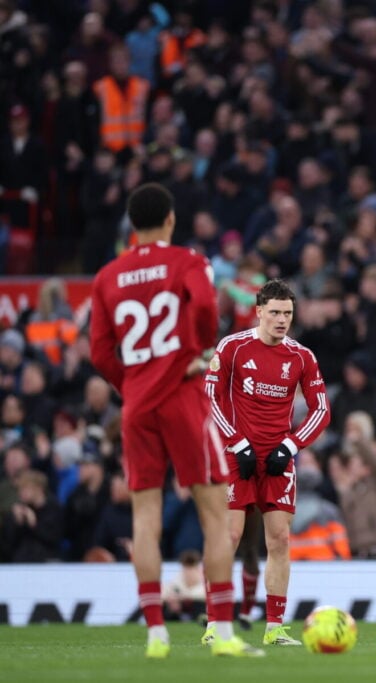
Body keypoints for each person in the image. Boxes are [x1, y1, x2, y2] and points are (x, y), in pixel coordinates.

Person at [89, 182, 262, 657]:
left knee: (145, 518)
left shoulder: (107, 276)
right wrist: (202, 350)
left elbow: (100, 352)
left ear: (131, 224)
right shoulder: (189, 262)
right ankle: (224, 635)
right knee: (214, 514)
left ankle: (155, 634)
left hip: (137, 404)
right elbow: (206, 306)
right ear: (169, 220)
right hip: (183, 399)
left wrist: (134, 384)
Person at [205, 278, 330, 646]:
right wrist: (237, 442)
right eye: (274, 312)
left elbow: (322, 411)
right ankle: (216, 625)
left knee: (278, 539)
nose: (281, 320)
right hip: (235, 456)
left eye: (287, 313)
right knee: (228, 536)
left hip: (278, 459)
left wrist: (290, 446)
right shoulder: (232, 347)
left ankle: (274, 628)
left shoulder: (301, 356)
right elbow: (209, 399)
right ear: (259, 311)